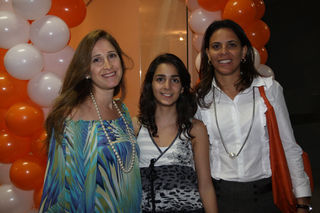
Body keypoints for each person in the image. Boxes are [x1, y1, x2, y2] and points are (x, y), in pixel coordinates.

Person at [194, 19, 312, 213]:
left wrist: (302, 202)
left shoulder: (269, 89)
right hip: (219, 200)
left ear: (244, 52)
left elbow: (290, 147)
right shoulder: (199, 99)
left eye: (232, 45)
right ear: (207, 54)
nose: (224, 52)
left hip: (267, 199)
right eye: (216, 46)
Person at [39, 29, 142, 212]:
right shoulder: (71, 117)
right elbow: (56, 189)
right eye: (97, 60)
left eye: (112, 56)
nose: (108, 65)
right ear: (86, 70)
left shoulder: (122, 111)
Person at [132, 53, 218, 213]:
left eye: (175, 80)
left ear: (183, 87)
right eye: (160, 79)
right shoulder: (135, 127)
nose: (167, 86)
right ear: (150, 84)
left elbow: (205, 185)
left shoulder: (195, 129)